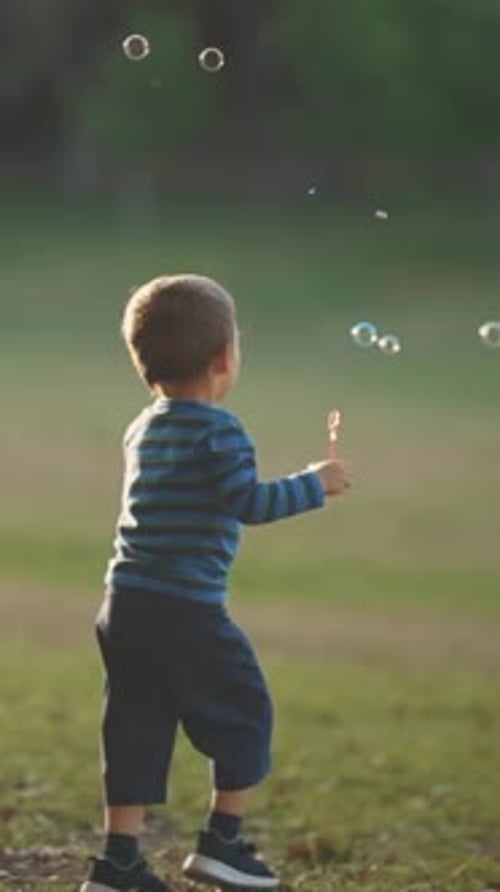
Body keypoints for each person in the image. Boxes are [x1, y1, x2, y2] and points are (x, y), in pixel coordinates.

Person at [81, 274, 350, 892]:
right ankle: (223, 844)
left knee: (135, 723)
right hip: (186, 610)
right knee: (245, 713)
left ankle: (118, 863)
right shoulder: (220, 429)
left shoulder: (142, 426)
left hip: (124, 605)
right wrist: (317, 483)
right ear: (224, 358)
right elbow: (247, 502)